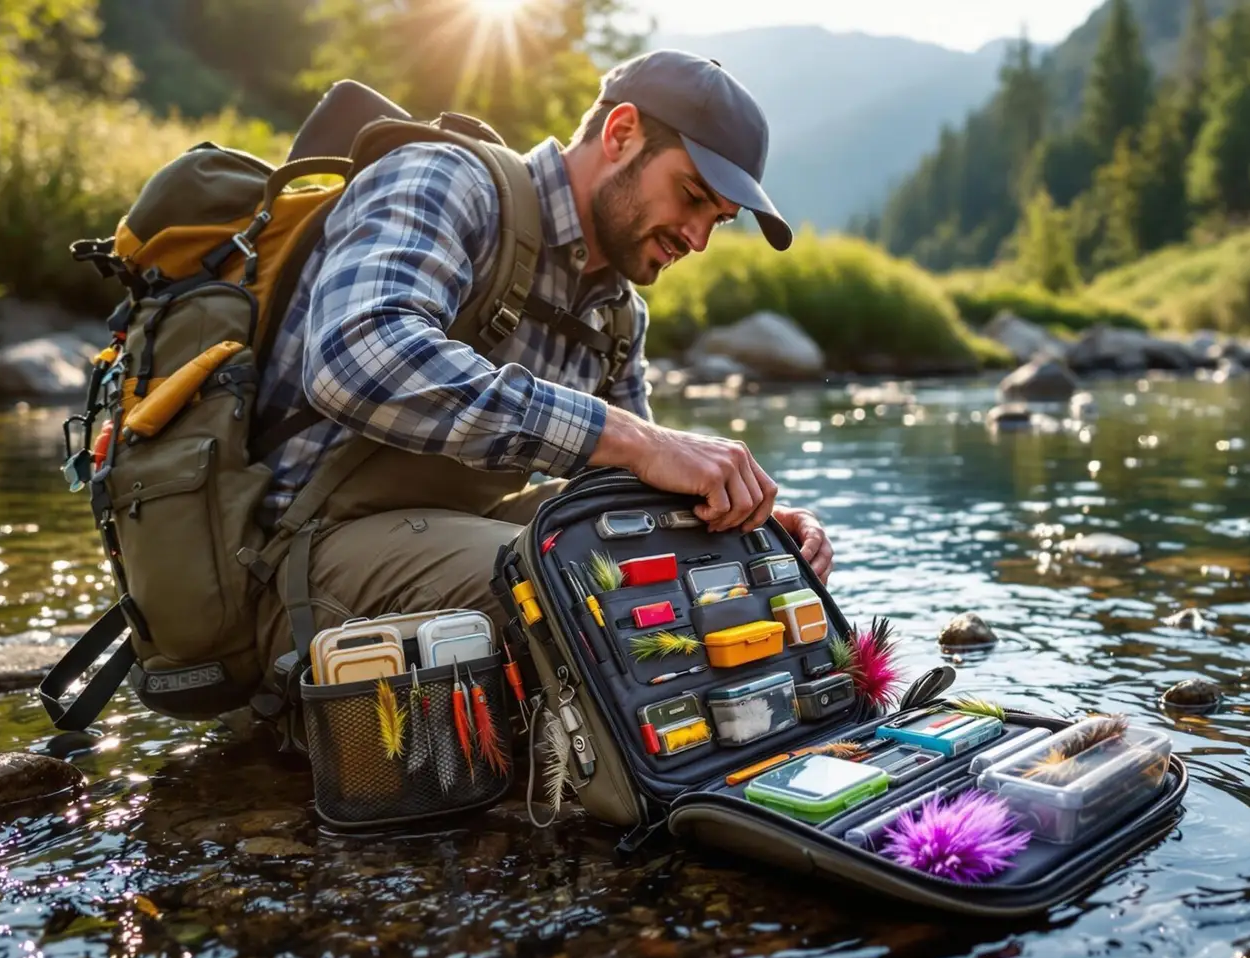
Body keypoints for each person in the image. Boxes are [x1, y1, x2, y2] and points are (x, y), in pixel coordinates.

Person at [248, 49, 834, 694]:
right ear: (620, 134)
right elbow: (357, 356)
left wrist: (744, 521)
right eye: (692, 196)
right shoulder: (446, 177)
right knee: (579, 594)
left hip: (437, 541)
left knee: (713, 568)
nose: (698, 239)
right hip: (295, 566)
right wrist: (635, 438)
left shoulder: (618, 314)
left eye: (718, 221)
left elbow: (631, 493)